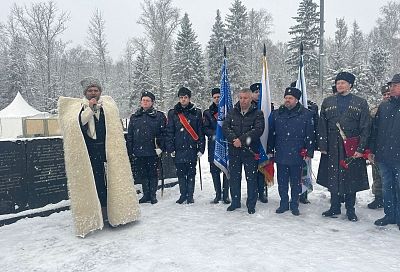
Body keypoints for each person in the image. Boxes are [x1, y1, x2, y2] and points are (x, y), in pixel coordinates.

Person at [58, 77, 140, 237]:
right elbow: (77, 124)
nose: (93, 93)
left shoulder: (108, 106)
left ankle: (114, 212)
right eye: (90, 90)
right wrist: (89, 109)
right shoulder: (78, 108)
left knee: (111, 180)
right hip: (89, 152)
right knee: (94, 182)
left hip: (106, 149)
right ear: (85, 93)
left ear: (100, 91)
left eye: (96, 90)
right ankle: (97, 214)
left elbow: (114, 127)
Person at [317, 72, 370, 222]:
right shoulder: (328, 102)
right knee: (333, 176)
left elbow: (366, 127)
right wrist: (322, 145)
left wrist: (361, 148)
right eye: (338, 82)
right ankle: (334, 207)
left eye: (343, 83)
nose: (340, 85)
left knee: (351, 177)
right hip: (332, 146)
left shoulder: (361, 103)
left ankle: (350, 209)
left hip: (351, 146)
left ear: (350, 85)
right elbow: (322, 125)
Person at [267, 87, 315, 216]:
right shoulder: (276, 114)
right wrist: (270, 150)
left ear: (297, 100)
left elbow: (310, 135)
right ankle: (283, 203)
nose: (287, 100)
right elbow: (271, 134)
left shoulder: (306, 114)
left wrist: (309, 152)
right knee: (282, 181)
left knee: (296, 182)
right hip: (281, 153)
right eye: (286, 98)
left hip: (298, 153)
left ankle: (294, 204)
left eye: (290, 98)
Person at [222, 88, 264, 214]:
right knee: (234, 178)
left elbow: (258, 130)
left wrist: (241, 140)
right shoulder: (232, 112)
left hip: (250, 152)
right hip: (234, 151)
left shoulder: (258, 113)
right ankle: (235, 202)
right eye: (240, 98)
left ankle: (251, 204)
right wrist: (234, 139)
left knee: (251, 179)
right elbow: (225, 127)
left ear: (250, 98)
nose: (242, 100)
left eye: (245, 98)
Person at [369, 74, 400, 230]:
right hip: (384, 156)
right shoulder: (384, 106)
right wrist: (372, 150)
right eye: (391, 85)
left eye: (395, 85)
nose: (392, 88)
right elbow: (375, 130)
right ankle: (390, 215)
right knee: (387, 187)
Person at [166, 87, 205, 204]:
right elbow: (170, 131)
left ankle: (190, 196)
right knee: (180, 173)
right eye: (181, 97)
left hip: (192, 148)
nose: (183, 100)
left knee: (191, 173)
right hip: (178, 148)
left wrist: (201, 148)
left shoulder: (197, 112)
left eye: (185, 97)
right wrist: (171, 148)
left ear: (189, 98)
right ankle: (183, 195)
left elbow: (200, 132)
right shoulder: (173, 113)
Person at [127, 91, 167, 205]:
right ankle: (146, 194)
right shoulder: (134, 117)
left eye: (147, 100)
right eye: (143, 100)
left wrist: (161, 147)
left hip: (153, 150)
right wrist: (131, 150)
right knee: (142, 174)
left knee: (153, 173)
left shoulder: (159, 116)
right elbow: (130, 135)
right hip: (139, 151)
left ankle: (153, 195)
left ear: (152, 102)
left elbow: (164, 133)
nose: (145, 102)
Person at [203, 87, 230, 204]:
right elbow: (205, 128)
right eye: (215, 97)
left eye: (219, 96)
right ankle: (218, 194)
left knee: (226, 170)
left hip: (226, 145)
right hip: (214, 145)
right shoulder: (208, 113)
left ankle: (226, 195)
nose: (217, 99)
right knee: (214, 171)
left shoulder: (228, 111)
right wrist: (217, 134)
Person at [367, 84, 390, 209]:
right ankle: (378, 197)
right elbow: (370, 130)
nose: (386, 96)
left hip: (393, 149)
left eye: (388, 94)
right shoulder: (376, 110)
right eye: (384, 95)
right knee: (377, 175)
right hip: (378, 147)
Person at [250, 82, 269, 203]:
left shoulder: (267, 106)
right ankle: (253, 192)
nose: (258, 94)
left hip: (264, 142)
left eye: (260, 92)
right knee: (251, 171)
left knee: (262, 169)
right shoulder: (247, 106)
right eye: (256, 92)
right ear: (251, 94)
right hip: (251, 143)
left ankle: (262, 192)